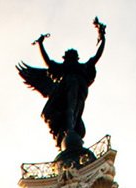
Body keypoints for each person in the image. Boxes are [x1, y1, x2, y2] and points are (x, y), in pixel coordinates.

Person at [18, 18, 108, 163]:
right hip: (68, 91)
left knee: (74, 111)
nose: (71, 57)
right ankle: (69, 129)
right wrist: (40, 44)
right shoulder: (68, 69)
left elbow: (97, 55)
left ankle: (71, 128)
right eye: (70, 56)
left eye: (73, 56)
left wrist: (102, 37)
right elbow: (48, 62)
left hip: (78, 90)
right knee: (71, 110)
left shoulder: (79, 68)